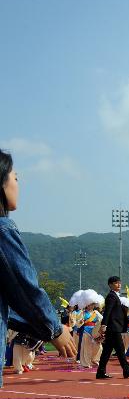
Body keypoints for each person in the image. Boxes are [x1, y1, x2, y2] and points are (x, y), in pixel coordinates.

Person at [0, 149, 76, 386]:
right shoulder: (3, 230)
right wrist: (53, 329)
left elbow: (8, 305)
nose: (18, 183)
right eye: (15, 177)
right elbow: (24, 288)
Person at [95, 277, 129, 379]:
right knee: (120, 350)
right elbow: (108, 312)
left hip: (113, 328)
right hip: (113, 328)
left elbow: (118, 314)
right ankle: (127, 371)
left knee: (107, 351)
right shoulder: (111, 296)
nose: (119, 285)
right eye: (116, 283)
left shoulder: (115, 296)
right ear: (110, 285)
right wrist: (104, 325)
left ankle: (101, 372)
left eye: (119, 283)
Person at [78, 290, 104, 369]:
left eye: (93, 304)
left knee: (98, 346)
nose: (91, 306)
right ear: (86, 304)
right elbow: (78, 323)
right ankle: (86, 363)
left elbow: (102, 320)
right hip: (86, 331)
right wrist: (81, 322)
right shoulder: (83, 313)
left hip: (94, 331)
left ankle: (95, 359)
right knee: (86, 347)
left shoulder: (96, 312)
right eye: (90, 304)